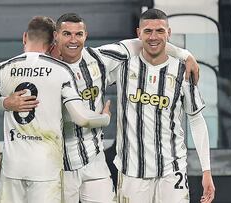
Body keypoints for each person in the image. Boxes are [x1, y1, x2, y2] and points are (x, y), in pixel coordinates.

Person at [0, 16, 112, 203]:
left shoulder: (4, 68)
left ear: (25, 37)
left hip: (13, 169)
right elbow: (83, 119)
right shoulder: (61, 71)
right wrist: (105, 117)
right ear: (53, 43)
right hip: (46, 168)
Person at [43, 12, 201, 203]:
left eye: (78, 34)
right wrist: (6, 103)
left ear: (86, 35)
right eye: (67, 34)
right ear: (56, 36)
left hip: (94, 161)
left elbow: (144, 40)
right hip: (59, 164)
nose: (73, 40)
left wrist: (185, 54)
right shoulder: (45, 70)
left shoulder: (100, 59)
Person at [114, 9, 215, 203]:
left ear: (169, 33)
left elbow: (196, 120)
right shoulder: (122, 68)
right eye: (148, 31)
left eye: (160, 31)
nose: (154, 37)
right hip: (132, 172)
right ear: (138, 34)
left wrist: (206, 170)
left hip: (172, 171)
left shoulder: (183, 72)